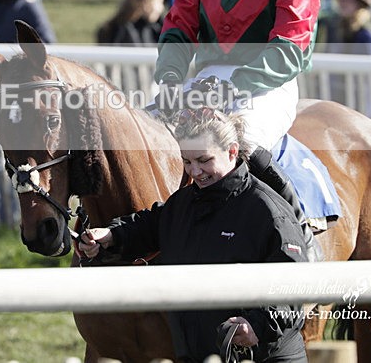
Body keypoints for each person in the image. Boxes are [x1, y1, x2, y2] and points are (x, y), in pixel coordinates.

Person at [155, 0, 322, 261]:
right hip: (205, 80)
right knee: (146, 130)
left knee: (242, 142)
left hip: (265, 84)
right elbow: (177, 29)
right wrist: (172, 80)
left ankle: (301, 237)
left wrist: (233, 83)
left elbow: (291, 49)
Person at [79, 107, 308, 362]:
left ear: (232, 151)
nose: (194, 172)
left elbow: (294, 285)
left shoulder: (269, 211)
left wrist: (256, 325)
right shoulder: (183, 203)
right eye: (187, 161)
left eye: (203, 160)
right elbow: (148, 225)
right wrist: (111, 235)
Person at [96, 0, 165, 46]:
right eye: (159, 2)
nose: (161, 8)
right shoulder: (122, 31)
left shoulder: (157, 27)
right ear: (145, 4)